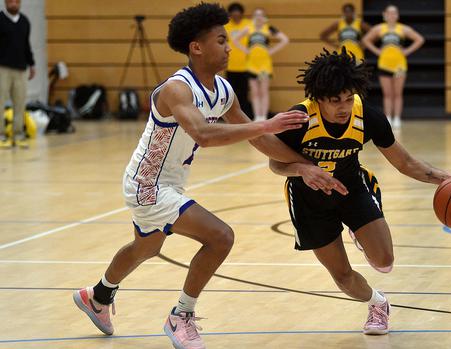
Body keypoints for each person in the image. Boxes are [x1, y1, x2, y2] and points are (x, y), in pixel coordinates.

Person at [72, 4, 344, 349]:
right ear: (196, 47)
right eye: (220, 40)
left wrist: (303, 165)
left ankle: (97, 295)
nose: (229, 46)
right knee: (220, 237)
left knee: (147, 247)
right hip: (148, 184)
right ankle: (181, 316)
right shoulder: (177, 89)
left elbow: (259, 139)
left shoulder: (223, 90)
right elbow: (203, 133)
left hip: (169, 182)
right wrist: (264, 123)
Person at [270, 48, 451, 335]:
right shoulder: (298, 119)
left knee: (385, 261)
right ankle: (378, 304)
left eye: (348, 98)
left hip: (351, 189)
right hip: (308, 201)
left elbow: (405, 162)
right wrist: (302, 169)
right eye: (335, 101)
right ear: (317, 98)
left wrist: (446, 180)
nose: (343, 106)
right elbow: (275, 163)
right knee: (342, 276)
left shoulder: (367, 117)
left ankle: (358, 229)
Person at [361, 4, 424, 129]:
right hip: (384, 64)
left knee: (398, 93)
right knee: (387, 94)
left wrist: (407, 51)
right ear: (384, 15)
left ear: (398, 15)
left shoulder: (403, 29)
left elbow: (419, 39)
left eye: (394, 12)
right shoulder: (379, 29)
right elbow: (365, 40)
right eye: (389, 13)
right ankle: (388, 117)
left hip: (399, 65)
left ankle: (397, 118)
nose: (392, 15)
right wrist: (377, 51)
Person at [232, 8, 289, 121]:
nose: (258, 17)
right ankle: (257, 117)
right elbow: (235, 39)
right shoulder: (249, 28)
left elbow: (284, 39)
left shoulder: (268, 28)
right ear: (253, 17)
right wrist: (246, 50)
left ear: (264, 17)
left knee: (263, 91)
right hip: (252, 64)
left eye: (260, 15)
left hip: (264, 65)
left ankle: (263, 116)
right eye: (256, 15)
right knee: (254, 92)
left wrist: (271, 51)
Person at [0, 0, 35, 149]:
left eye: (16, 1)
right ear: (5, 3)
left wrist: (31, 64)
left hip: (21, 69)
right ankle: (1, 135)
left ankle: (18, 133)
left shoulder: (25, 22)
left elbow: (26, 45)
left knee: (20, 104)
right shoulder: (0, 20)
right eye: (10, 1)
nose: (13, 4)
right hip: (2, 68)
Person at [224, 2, 252, 118]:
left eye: (237, 13)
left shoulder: (248, 25)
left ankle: (245, 116)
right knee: (231, 94)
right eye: (233, 13)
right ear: (230, 14)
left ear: (241, 14)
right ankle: (231, 116)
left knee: (244, 93)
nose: (235, 15)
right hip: (230, 66)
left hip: (246, 66)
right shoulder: (226, 26)